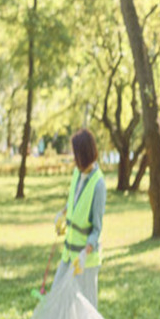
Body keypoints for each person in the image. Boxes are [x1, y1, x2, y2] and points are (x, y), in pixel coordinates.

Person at [52, 128, 107, 308]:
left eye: (76, 154)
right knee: (57, 298)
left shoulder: (98, 185)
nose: (73, 158)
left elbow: (97, 228)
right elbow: (74, 202)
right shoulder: (77, 173)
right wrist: (63, 214)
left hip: (86, 261)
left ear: (84, 154)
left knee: (87, 310)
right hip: (68, 255)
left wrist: (86, 253)